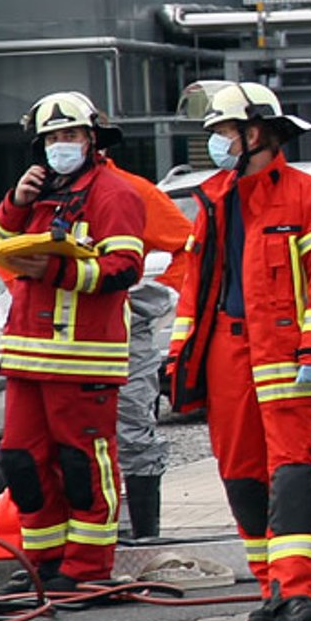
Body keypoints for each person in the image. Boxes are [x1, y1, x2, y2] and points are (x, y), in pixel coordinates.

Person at [167, 83, 311, 621]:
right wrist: (179, 357)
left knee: (291, 468)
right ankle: (270, 585)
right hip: (227, 351)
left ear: (256, 133)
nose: (218, 144)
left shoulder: (309, 197)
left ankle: (299, 592)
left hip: (289, 356)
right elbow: (196, 287)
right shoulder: (213, 200)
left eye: (225, 132)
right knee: (240, 471)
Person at [0, 91, 146, 590]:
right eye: (53, 137)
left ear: (92, 140)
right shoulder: (42, 192)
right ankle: (46, 564)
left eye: (71, 135)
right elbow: (0, 239)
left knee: (82, 464)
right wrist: (17, 201)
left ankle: (87, 570)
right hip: (27, 355)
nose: (62, 145)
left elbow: (124, 268)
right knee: (22, 461)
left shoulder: (114, 194)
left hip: (83, 357)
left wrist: (56, 269)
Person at [111, 167, 194, 539]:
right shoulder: (34, 195)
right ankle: (66, 559)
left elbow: (189, 245)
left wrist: (154, 298)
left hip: (121, 332)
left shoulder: (130, 190)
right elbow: (10, 250)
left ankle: (145, 537)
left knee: (133, 431)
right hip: (61, 338)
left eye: (72, 136)